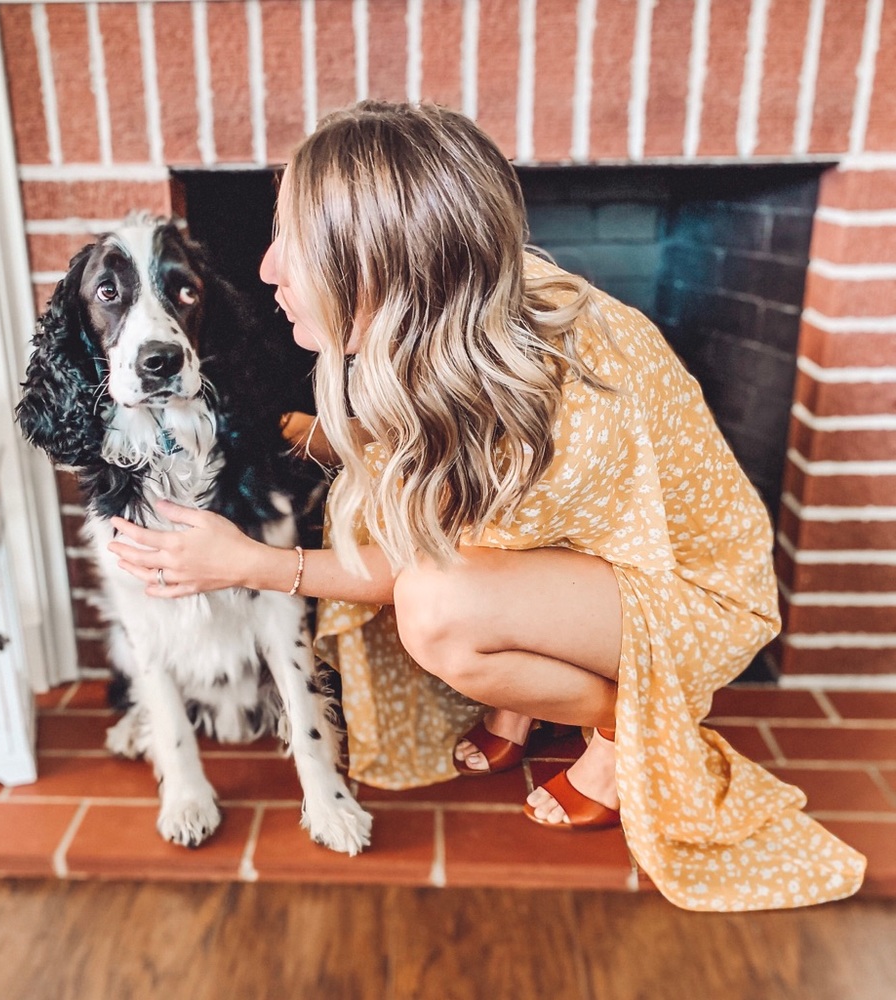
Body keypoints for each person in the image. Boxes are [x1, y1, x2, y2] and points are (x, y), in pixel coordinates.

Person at [108, 100, 865, 911]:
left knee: (435, 611)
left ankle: (624, 730)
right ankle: (525, 701)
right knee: (447, 590)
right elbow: (443, 489)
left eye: (291, 237)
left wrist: (249, 563)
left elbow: (413, 560)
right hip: (592, 567)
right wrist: (318, 437)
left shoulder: (538, 376)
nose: (267, 269)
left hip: (689, 593)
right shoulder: (446, 315)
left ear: (374, 260)